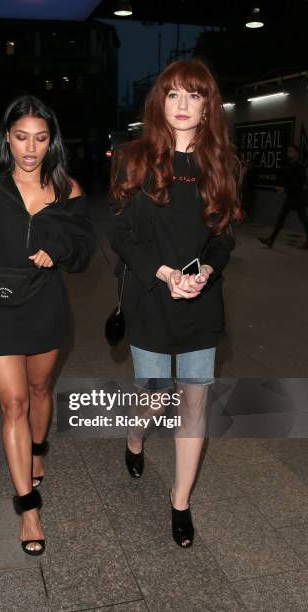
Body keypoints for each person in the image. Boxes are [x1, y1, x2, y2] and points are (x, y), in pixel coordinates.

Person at [0, 94, 95, 556]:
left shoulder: (67, 188)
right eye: (21, 137)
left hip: (44, 302)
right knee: (12, 404)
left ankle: (36, 452)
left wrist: (60, 251)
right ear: (7, 139)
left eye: (41, 138)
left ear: (52, 142)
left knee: (39, 392)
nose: (31, 148)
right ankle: (28, 508)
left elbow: (85, 250)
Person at [108, 59, 242, 548]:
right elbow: (120, 233)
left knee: (192, 403)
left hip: (200, 301)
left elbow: (224, 237)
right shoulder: (133, 158)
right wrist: (164, 273)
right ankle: (135, 438)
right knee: (155, 396)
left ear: (208, 107)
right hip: (149, 293)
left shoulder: (222, 164)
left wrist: (206, 271)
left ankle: (180, 500)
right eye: (173, 94)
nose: (183, 105)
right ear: (159, 102)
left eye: (195, 95)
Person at [259, 144, 308, 249]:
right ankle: (271, 240)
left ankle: (271, 240)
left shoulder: (299, 167)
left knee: (304, 220)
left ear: (297, 153)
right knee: (281, 219)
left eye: (291, 151)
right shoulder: (288, 166)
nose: (289, 153)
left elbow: (299, 184)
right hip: (291, 197)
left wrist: (285, 188)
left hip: (298, 198)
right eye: (288, 151)